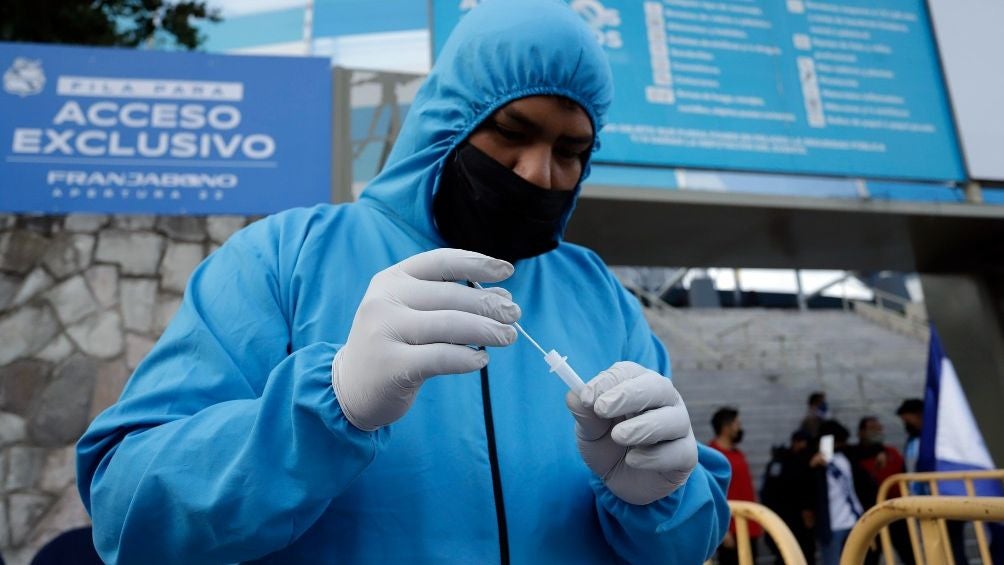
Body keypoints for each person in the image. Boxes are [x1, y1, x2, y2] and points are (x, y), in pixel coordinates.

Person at [74, 1, 731, 563]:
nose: (538, 172)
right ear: (450, 115)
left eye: (570, 151)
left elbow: (687, 539)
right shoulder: (284, 258)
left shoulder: (599, 296)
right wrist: (326, 408)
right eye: (512, 131)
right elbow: (126, 507)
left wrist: (662, 499)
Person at [852, 417, 914, 565]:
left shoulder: (891, 452)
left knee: (909, 554)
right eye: (872, 428)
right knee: (870, 557)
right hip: (871, 514)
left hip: (897, 513)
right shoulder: (854, 455)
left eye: (879, 428)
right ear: (861, 432)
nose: (877, 431)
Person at [709, 407, 762, 565]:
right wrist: (723, 531)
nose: (740, 428)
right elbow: (710, 495)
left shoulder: (738, 454)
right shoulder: (712, 455)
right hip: (731, 531)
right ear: (726, 428)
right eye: (737, 424)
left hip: (749, 527)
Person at [810, 420, 865, 565]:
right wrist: (811, 467)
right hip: (832, 524)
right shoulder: (815, 461)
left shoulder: (846, 457)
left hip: (853, 518)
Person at [761, 430, 817, 565]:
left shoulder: (794, 461)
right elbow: (782, 488)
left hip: (795, 523)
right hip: (785, 520)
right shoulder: (785, 463)